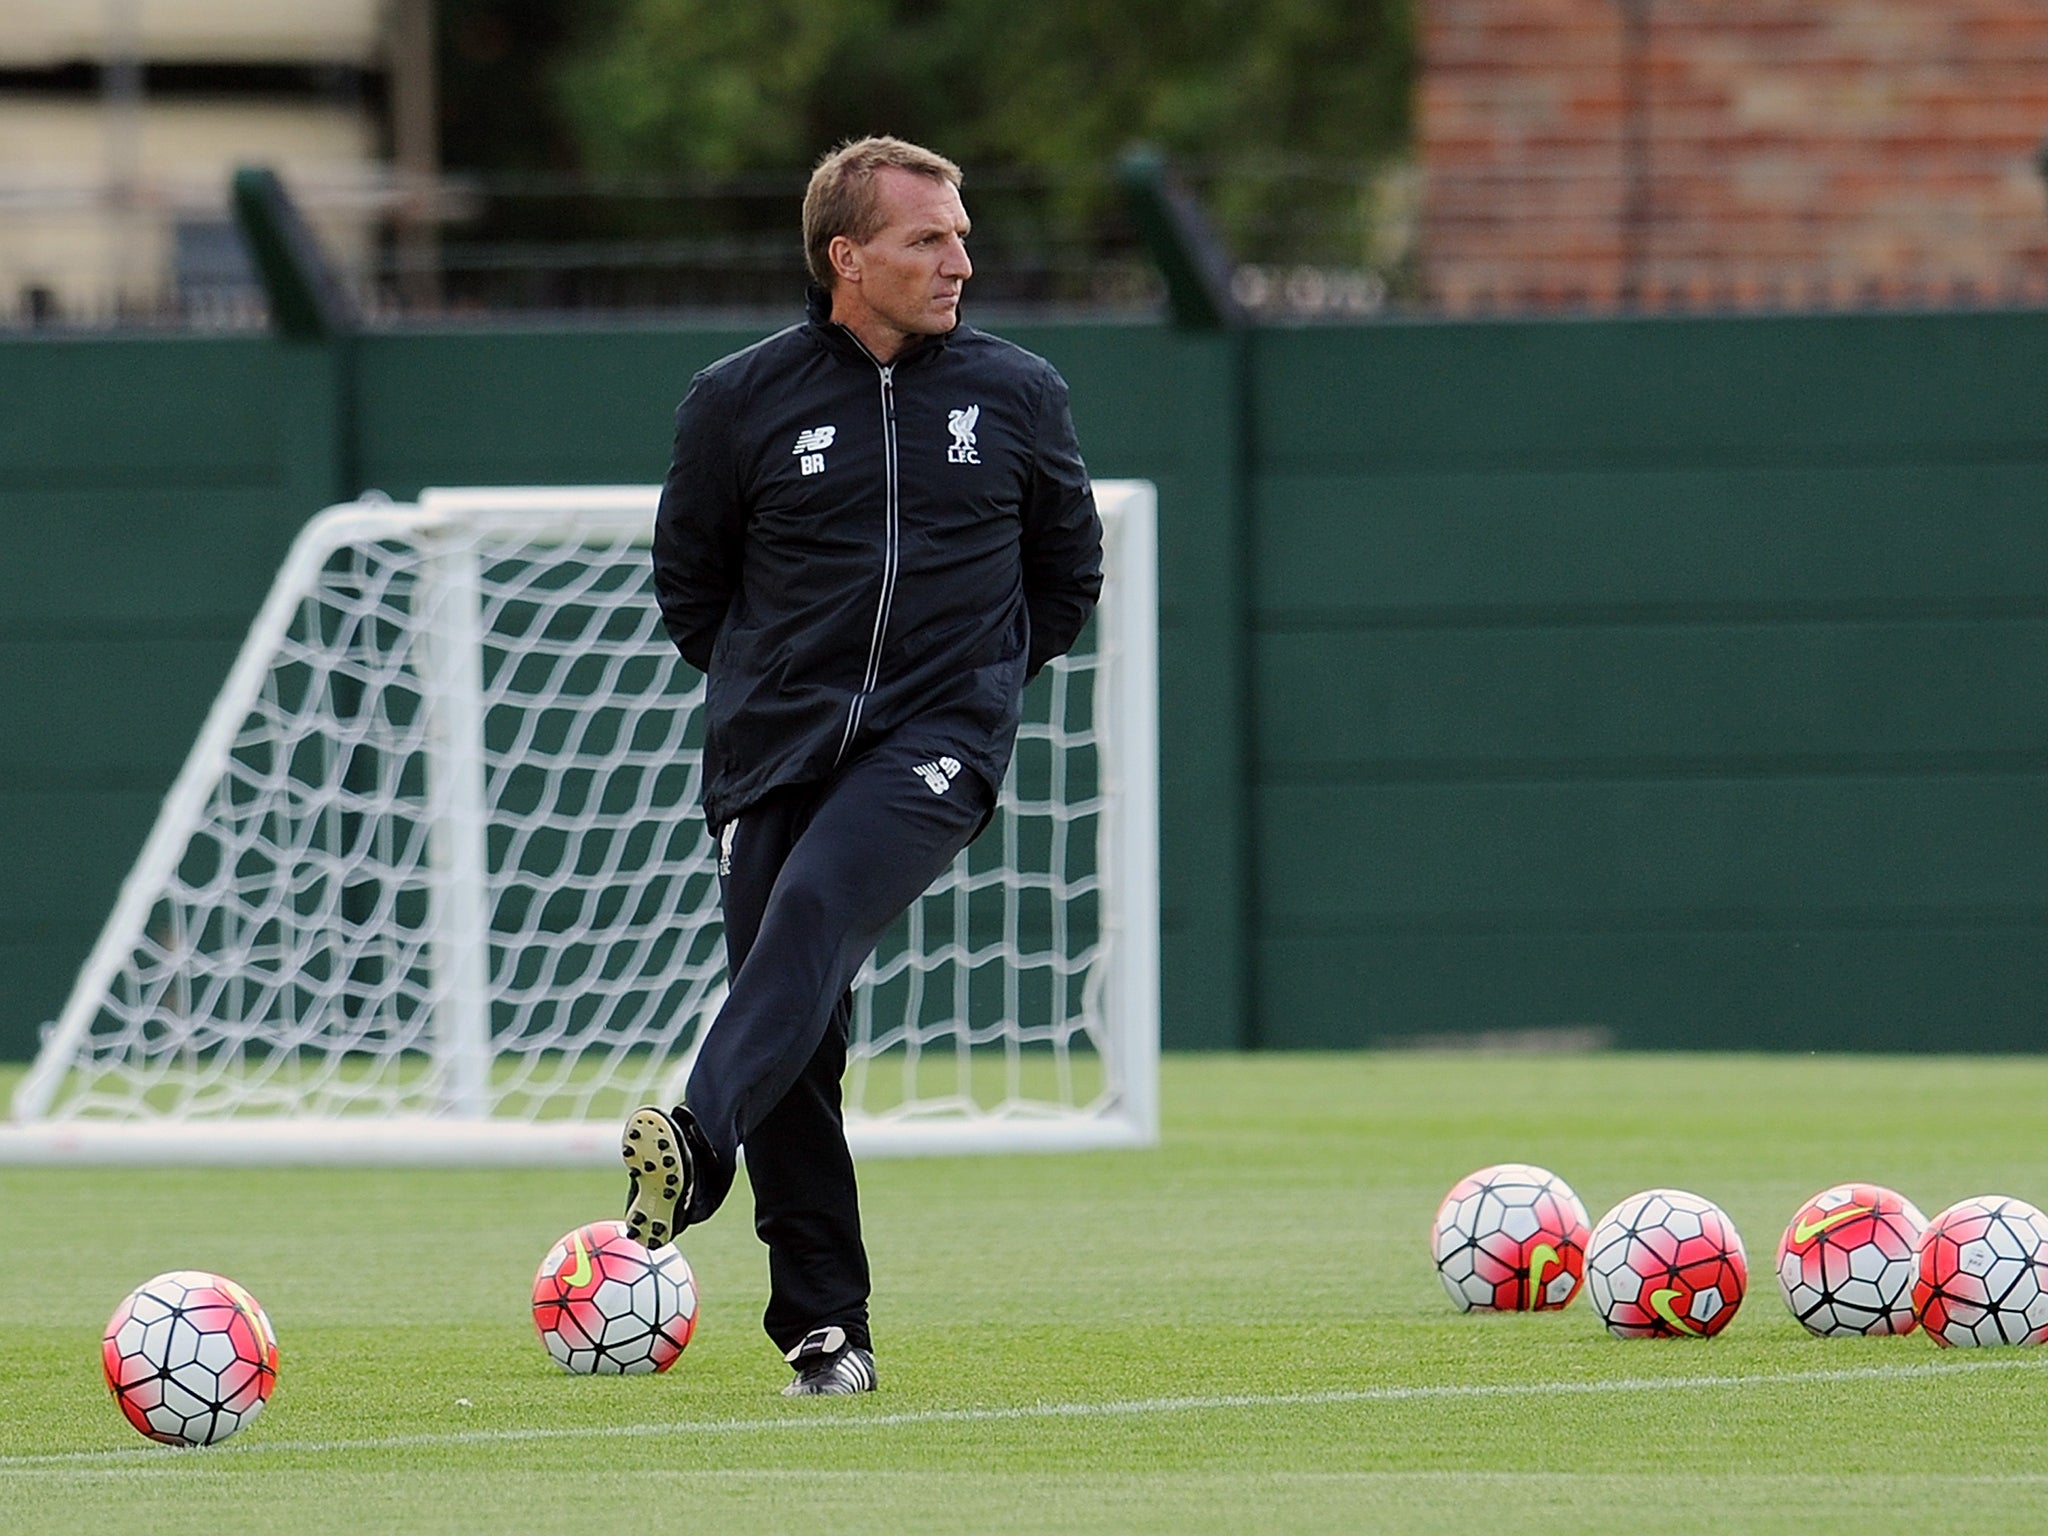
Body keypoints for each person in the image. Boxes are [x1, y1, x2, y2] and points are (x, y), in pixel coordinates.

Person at [624, 136, 1103, 1397]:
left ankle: (693, 1137)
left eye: (958, 235)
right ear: (848, 258)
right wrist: (769, 687)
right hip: (773, 751)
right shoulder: (736, 399)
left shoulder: (1017, 393)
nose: (960, 259)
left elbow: (1064, 577)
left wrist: (977, 693)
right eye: (926, 240)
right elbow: (692, 586)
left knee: (819, 908)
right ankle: (825, 1332)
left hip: (938, 743)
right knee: (802, 1037)